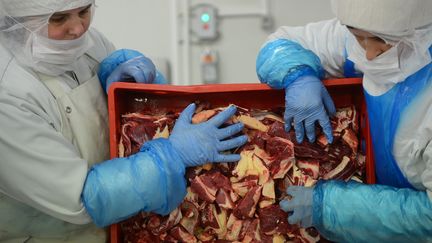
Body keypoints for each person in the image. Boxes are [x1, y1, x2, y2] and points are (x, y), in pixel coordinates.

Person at [0, 0, 247, 242]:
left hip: (125, 218)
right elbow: (81, 199)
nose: (77, 28)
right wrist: (173, 156)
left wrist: (117, 77)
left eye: (84, 11)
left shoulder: (86, 41)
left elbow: (121, 111)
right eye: (58, 18)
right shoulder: (8, 94)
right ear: (18, 21)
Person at [256, 0, 432, 242]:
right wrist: (298, 75)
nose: (368, 54)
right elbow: (279, 44)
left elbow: (427, 219)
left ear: (419, 31)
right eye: (358, 37)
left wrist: (329, 207)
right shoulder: (359, 30)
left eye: (384, 41)